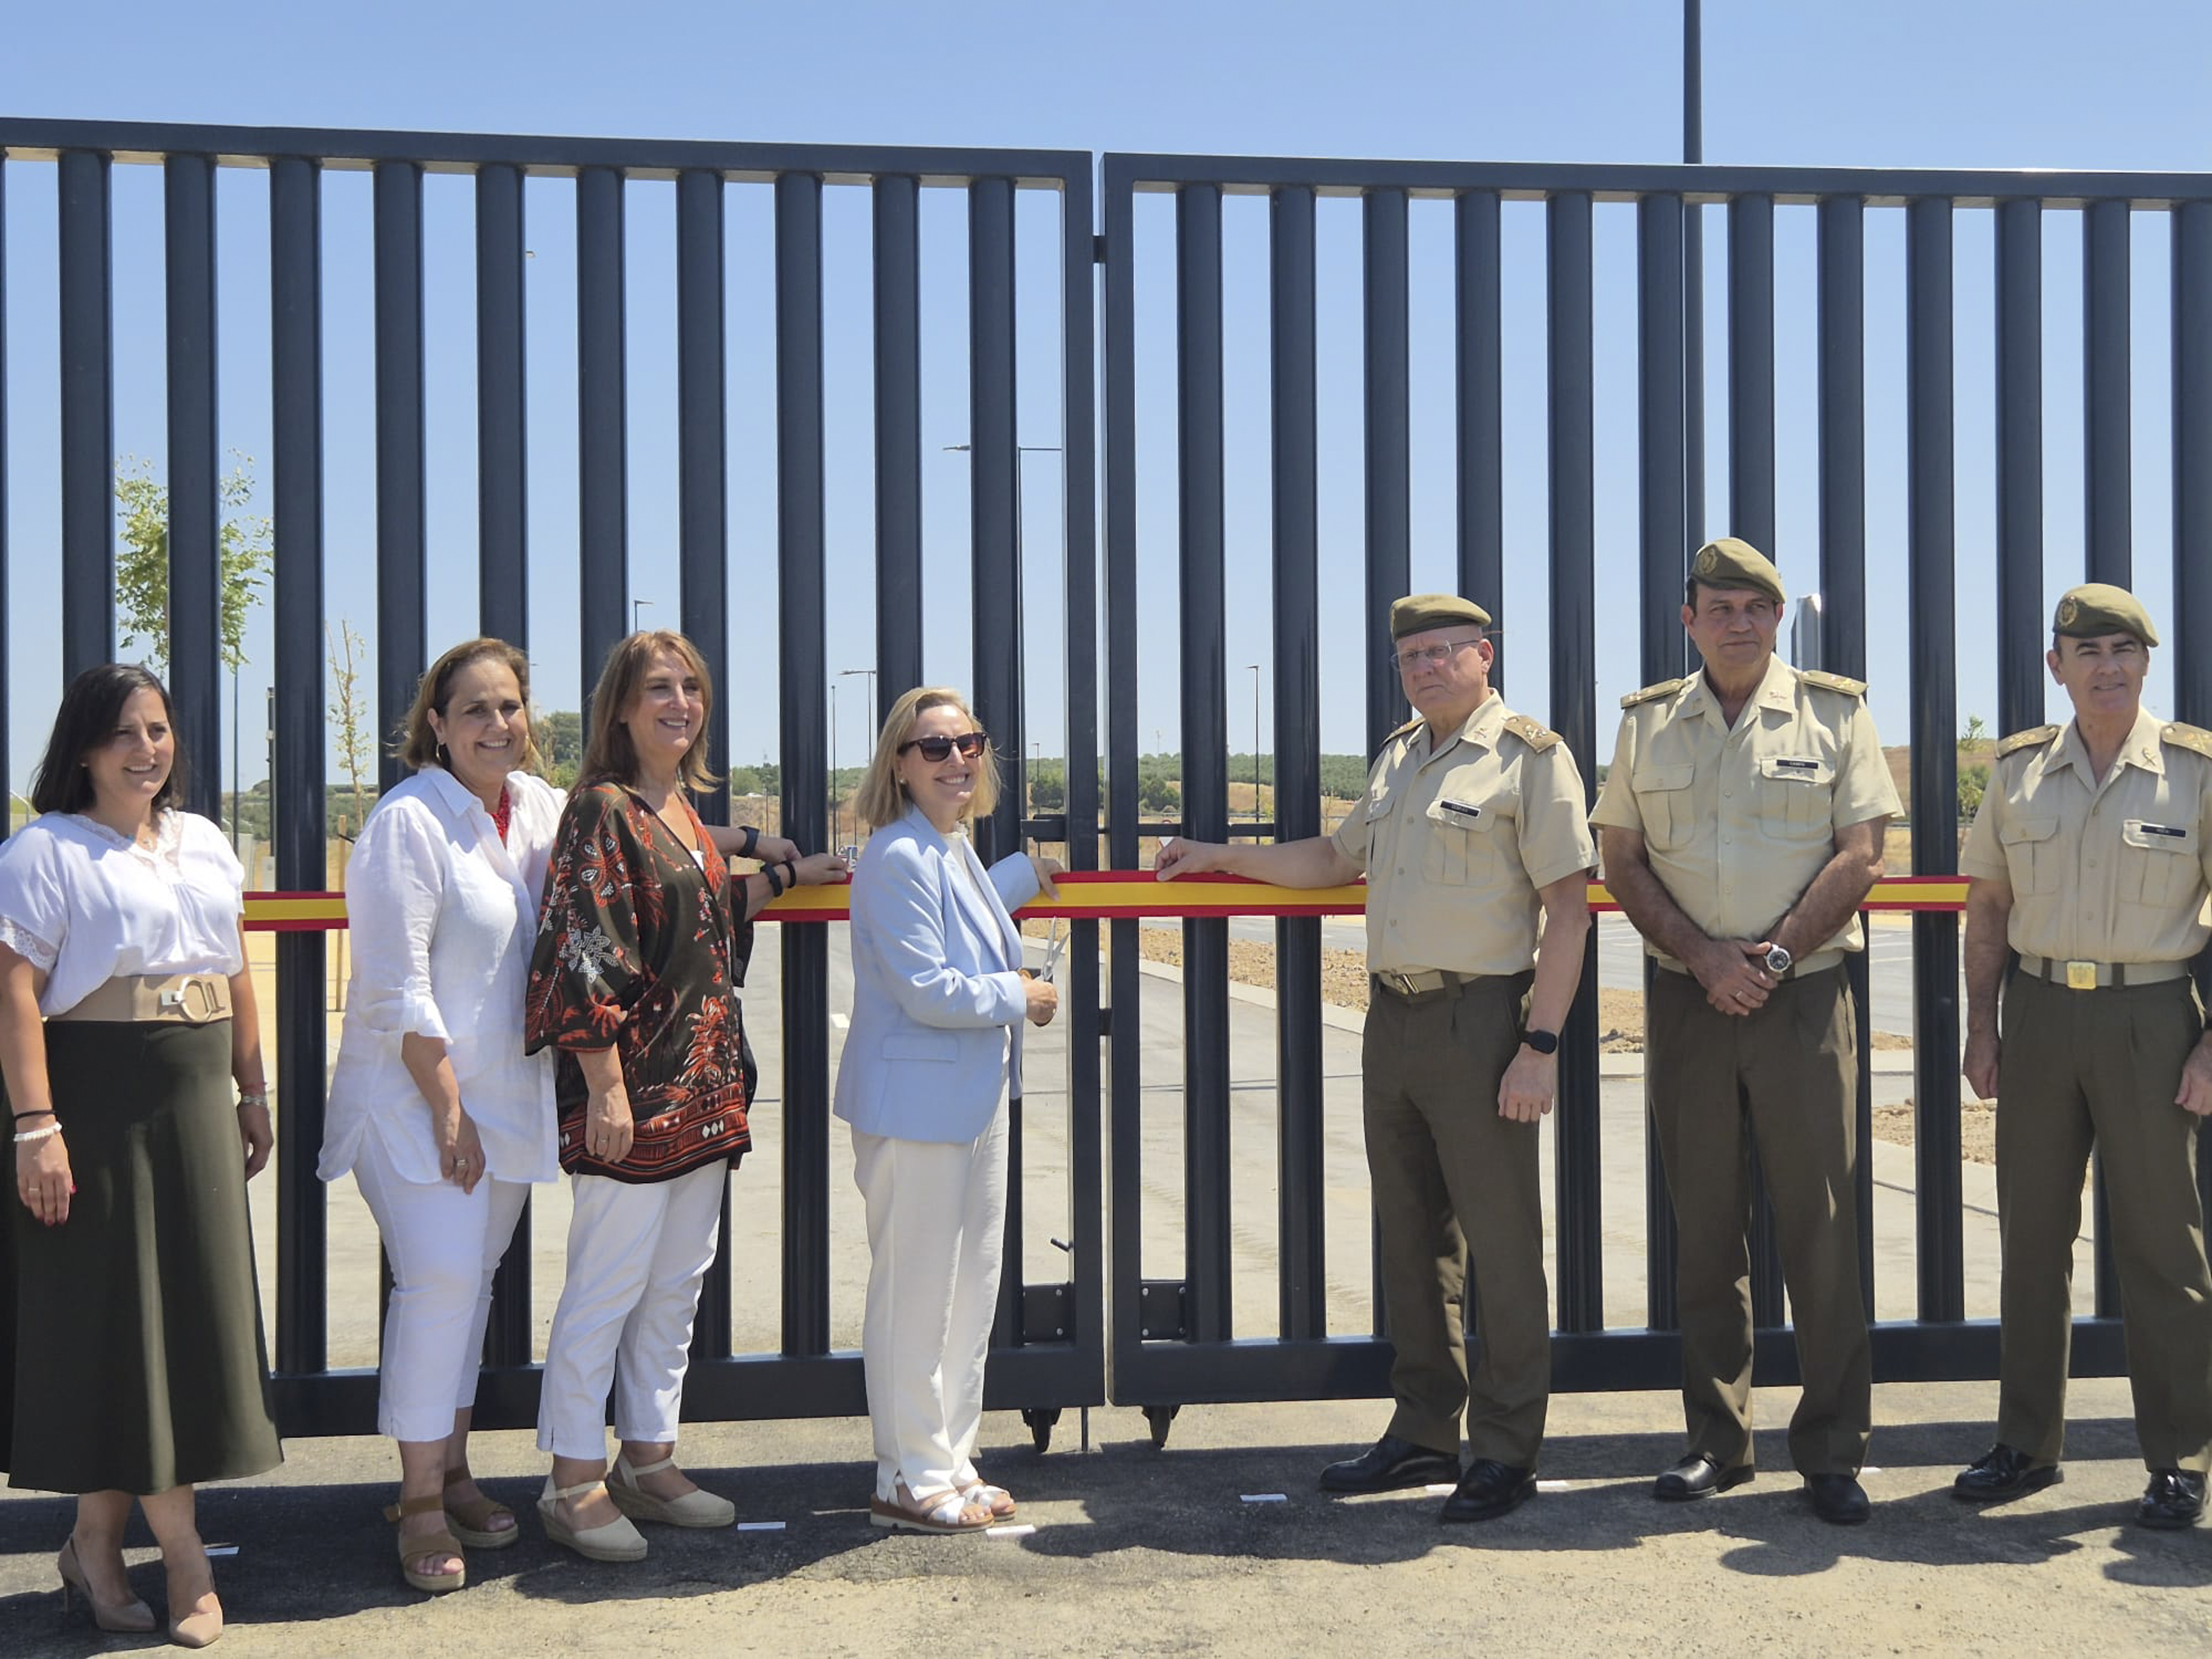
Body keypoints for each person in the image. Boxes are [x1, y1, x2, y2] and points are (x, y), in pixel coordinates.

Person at [1156, 594, 1593, 1525]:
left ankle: (1506, 1448)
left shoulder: (1530, 758)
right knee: (1412, 1238)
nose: (1427, 667)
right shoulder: (1400, 759)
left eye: (1443, 651)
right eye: (1411, 656)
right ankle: (1426, 1429)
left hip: (1482, 1021)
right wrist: (1218, 856)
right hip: (1391, 1021)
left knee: (1504, 1244)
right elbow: (1330, 858)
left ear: (1484, 654)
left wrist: (1540, 1045)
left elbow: (1569, 908)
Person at [1591, 537, 1899, 1527]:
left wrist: (1763, 959)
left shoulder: (1835, 712)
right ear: (1689, 619)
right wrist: (1703, 956)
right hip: (1688, 998)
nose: (1737, 621)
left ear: (1779, 620)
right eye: (1718, 605)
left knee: (1821, 1225)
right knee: (1706, 1228)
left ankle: (1833, 1449)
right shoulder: (1648, 725)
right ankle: (1717, 1442)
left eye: (1755, 607)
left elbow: (1863, 854)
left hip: (1801, 996)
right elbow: (1622, 858)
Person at [525, 630, 845, 1562]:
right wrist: (604, 1089)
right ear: (621, 708)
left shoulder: (681, 814)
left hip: (704, 1093)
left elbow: (702, 918)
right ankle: (573, 1479)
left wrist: (786, 872)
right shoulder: (602, 811)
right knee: (606, 1288)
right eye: (658, 687)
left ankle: (649, 1458)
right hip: (631, 1095)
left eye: (691, 686)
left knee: (674, 1290)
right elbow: (585, 951)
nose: (679, 701)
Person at [0, 662, 279, 1647]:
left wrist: (254, 1087)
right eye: (125, 732)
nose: (147, 748)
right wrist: (37, 1126)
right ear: (83, 746)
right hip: (98, 1100)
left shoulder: (203, 841)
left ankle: (91, 1540)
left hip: (198, 1099)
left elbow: (236, 970)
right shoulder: (46, 849)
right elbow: (16, 995)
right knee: (118, 1323)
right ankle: (187, 1554)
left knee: (178, 1322)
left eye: (158, 729)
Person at [1954, 583, 2212, 1529]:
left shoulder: (2194, 770)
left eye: (2124, 649)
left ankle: (2180, 1458)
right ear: (2055, 667)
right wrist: (1983, 1027)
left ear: (2148, 664)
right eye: (2087, 650)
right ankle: (2026, 1443)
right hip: (2041, 1014)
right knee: (2030, 1241)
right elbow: (1986, 909)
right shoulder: (2019, 772)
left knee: (2163, 1247)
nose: (2108, 666)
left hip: (2153, 1021)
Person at [318, 638, 564, 1593]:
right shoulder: (407, 821)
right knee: (442, 1281)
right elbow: (394, 981)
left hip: (506, 1098)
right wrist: (448, 1107)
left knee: (475, 1284)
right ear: (436, 724)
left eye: (509, 707)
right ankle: (418, 1500)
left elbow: (625, 846)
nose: (496, 725)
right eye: (474, 710)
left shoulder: (536, 806)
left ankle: (453, 1467)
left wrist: (767, 853)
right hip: (418, 1102)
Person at [837, 687, 1062, 1533]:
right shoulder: (898, 853)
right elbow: (928, 985)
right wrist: (1023, 992)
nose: (956, 758)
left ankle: (950, 1459)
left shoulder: (951, 845)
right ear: (898, 763)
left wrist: (1023, 876)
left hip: (965, 1103)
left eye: (968, 741)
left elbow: (966, 917)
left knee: (970, 1290)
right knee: (916, 1294)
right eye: (934, 747)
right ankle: (907, 1472)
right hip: (917, 1108)